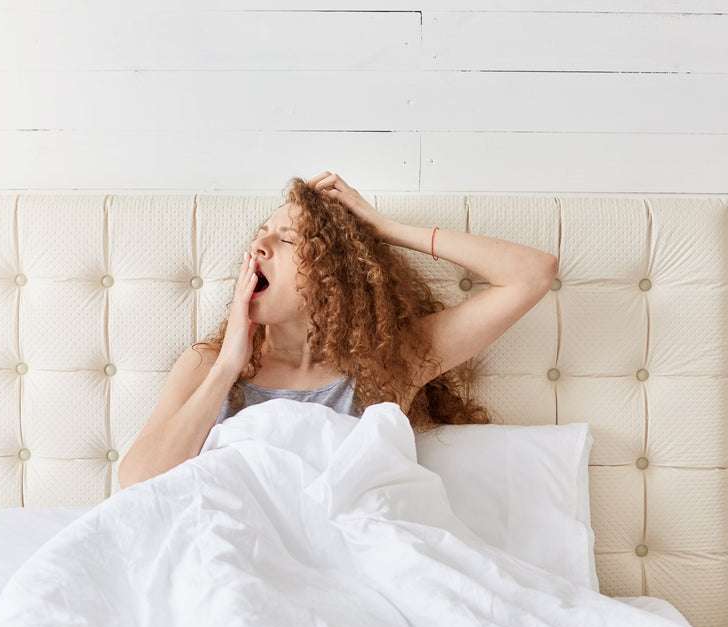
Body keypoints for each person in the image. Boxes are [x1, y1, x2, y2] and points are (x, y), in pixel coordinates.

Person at [118, 172, 559, 488]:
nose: (259, 248)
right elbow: (137, 482)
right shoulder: (206, 364)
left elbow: (533, 273)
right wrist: (228, 365)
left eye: (287, 240)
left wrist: (387, 230)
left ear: (335, 273)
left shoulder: (388, 365)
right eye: (261, 235)